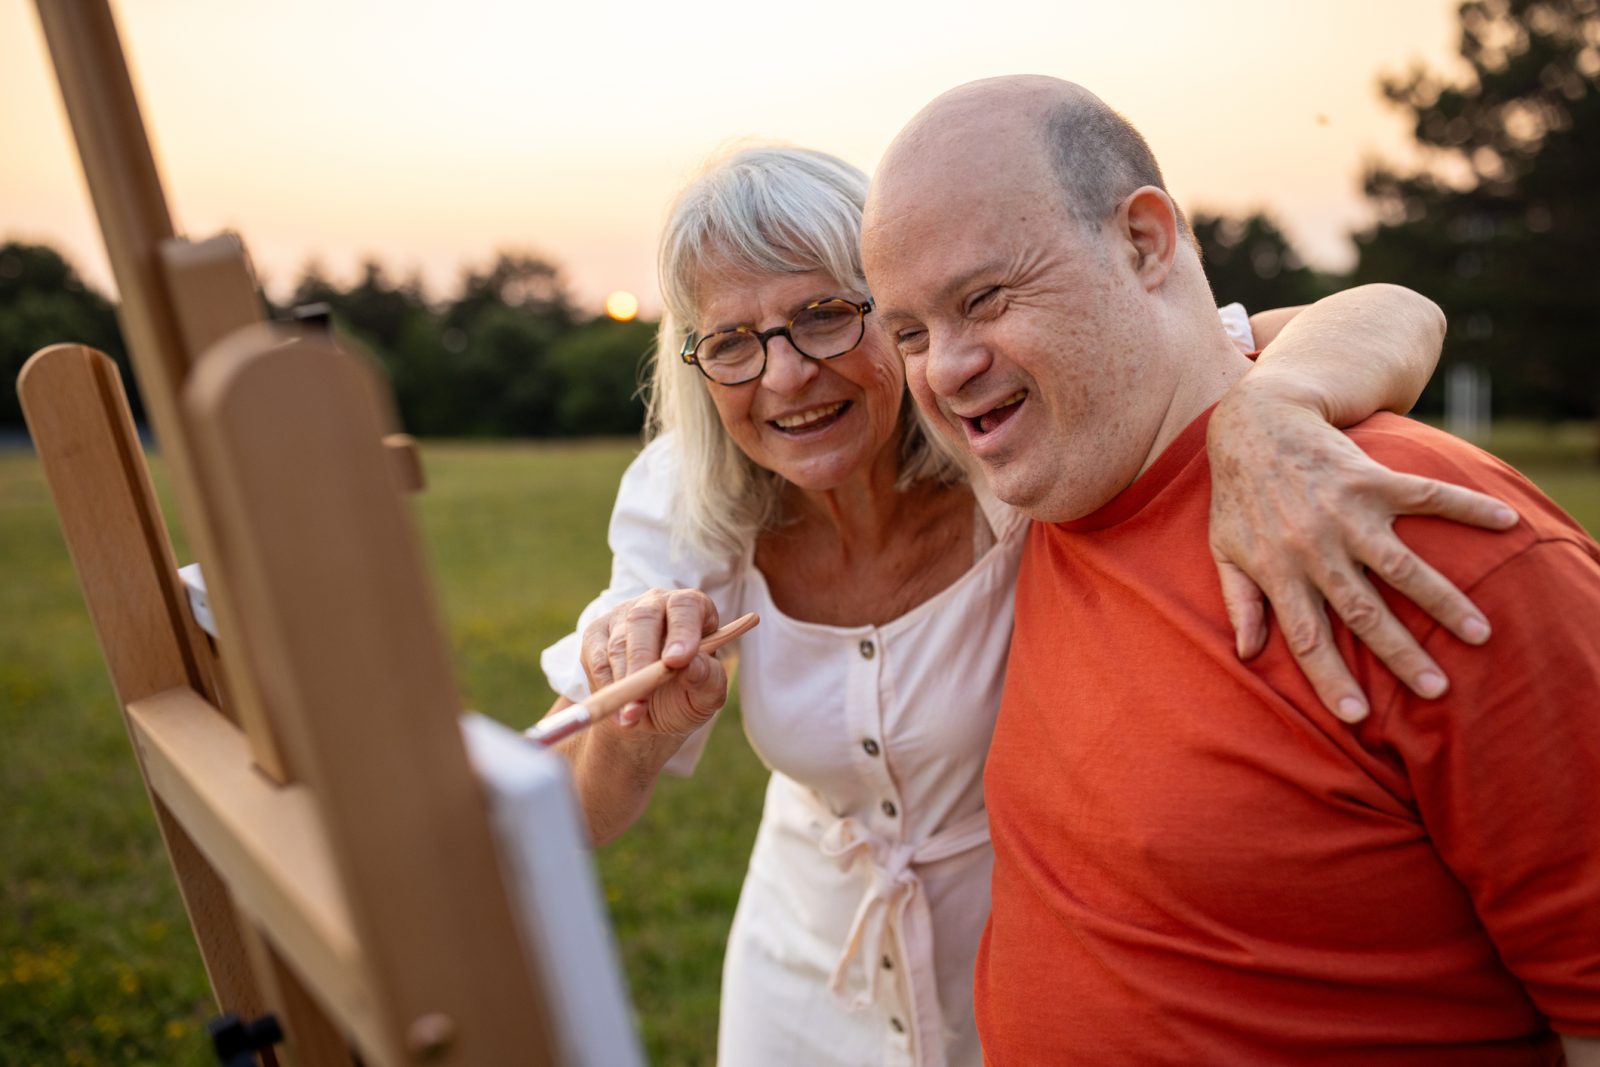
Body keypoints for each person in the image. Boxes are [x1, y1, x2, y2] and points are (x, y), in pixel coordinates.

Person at [537, 147, 1512, 1067]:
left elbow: (1394, 309)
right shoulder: (692, 496)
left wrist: (1270, 408)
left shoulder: (1008, 434)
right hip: (798, 976)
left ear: (895, 309)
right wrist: (632, 723)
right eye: (732, 342)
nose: (785, 374)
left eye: (826, 314)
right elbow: (573, 814)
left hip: (1024, 965)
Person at [859, 76, 1600, 1065]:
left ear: (1143, 243)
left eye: (983, 297)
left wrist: (1276, 402)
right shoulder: (1034, 494)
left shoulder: (1411, 528)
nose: (943, 369)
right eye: (908, 331)